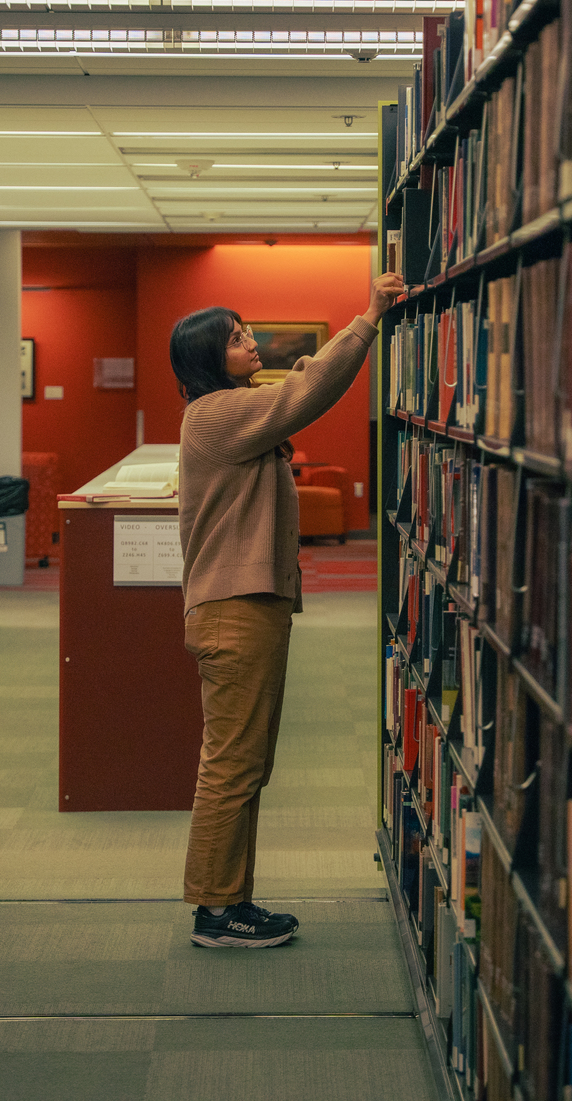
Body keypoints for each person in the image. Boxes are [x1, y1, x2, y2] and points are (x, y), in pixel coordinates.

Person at [169, 272, 407, 947]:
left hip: (247, 606)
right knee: (233, 762)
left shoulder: (231, 408)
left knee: (246, 759)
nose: (250, 341)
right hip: (233, 610)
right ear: (207, 358)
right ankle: (216, 911)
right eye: (236, 337)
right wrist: (368, 318)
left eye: (246, 331)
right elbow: (306, 395)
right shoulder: (215, 413)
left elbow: (289, 393)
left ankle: (230, 900)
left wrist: (304, 369)